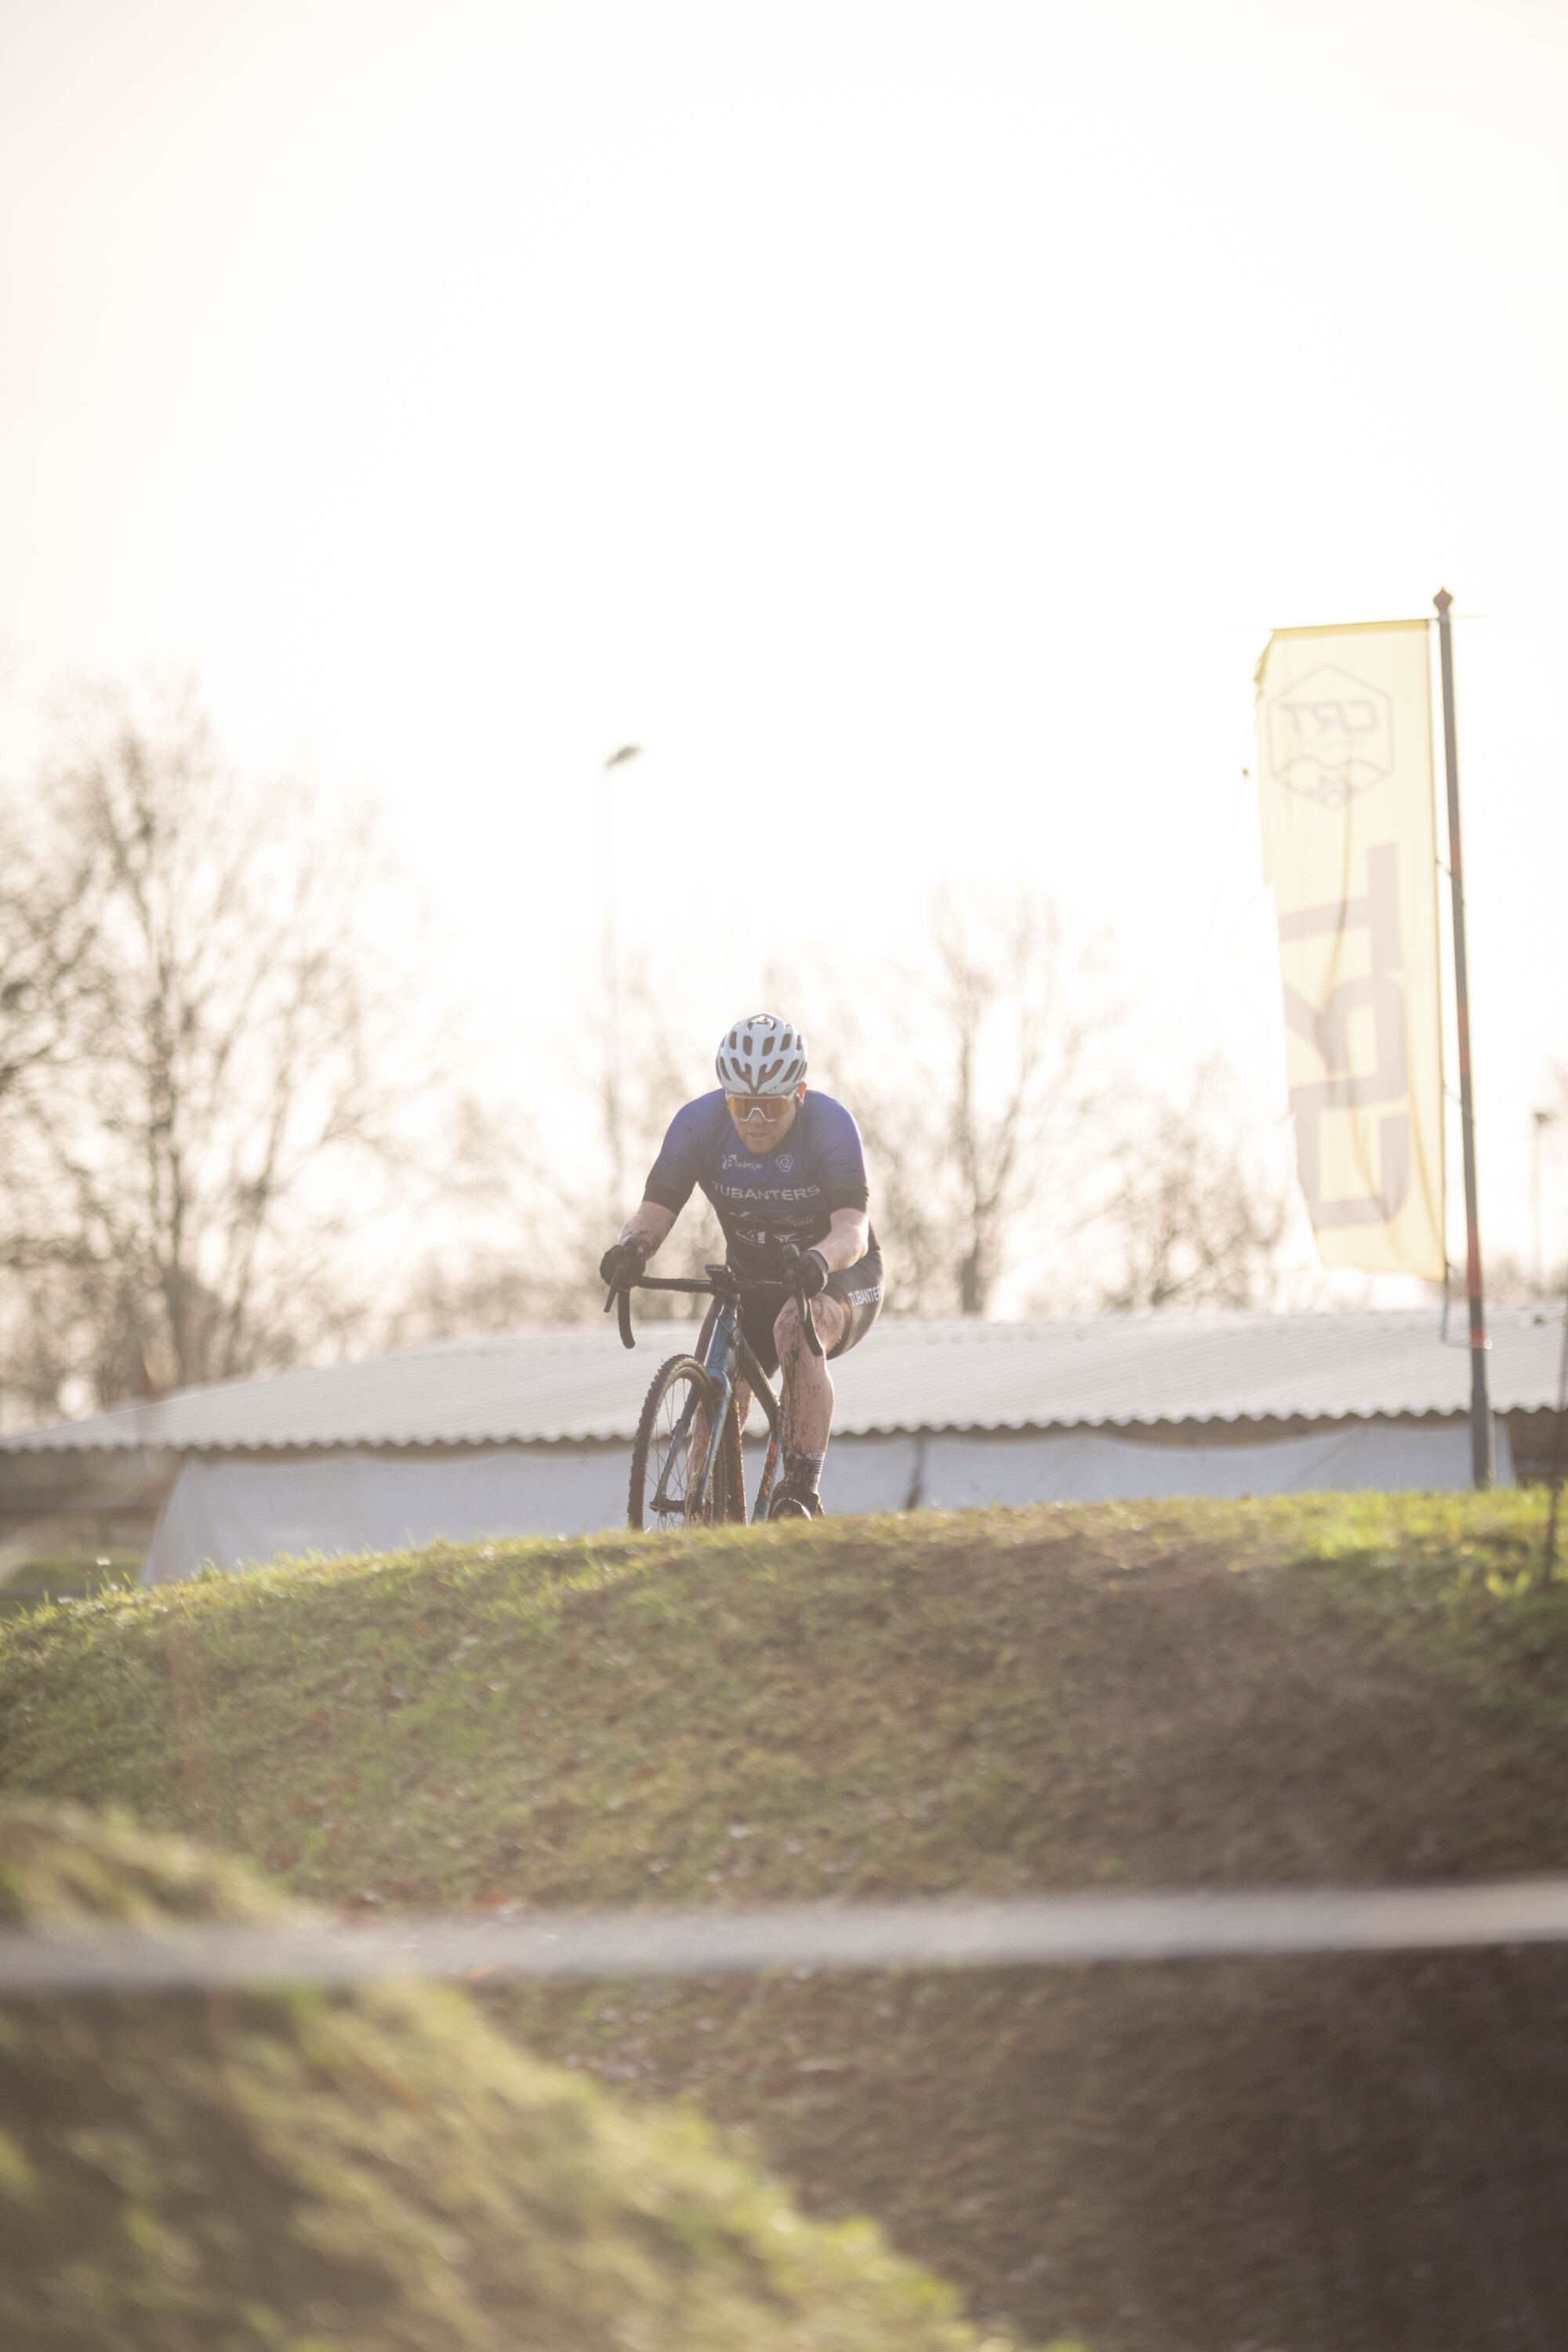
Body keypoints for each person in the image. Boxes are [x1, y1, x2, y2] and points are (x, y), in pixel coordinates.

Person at [599, 1013, 884, 1520]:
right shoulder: (698, 1123)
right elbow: (653, 1215)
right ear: (725, 1097)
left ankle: (798, 1492)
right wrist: (630, 1250)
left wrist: (819, 1259)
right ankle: (705, 1514)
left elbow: (853, 1231)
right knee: (717, 1388)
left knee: (796, 1327)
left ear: (798, 1094)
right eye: (742, 1106)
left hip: (835, 1273)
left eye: (770, 1106)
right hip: (752, 1279)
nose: (754, 1119)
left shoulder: (830, 1124)